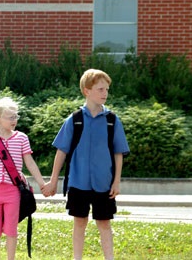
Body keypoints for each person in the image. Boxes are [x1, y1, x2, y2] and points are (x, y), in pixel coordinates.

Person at [42, 69, 130, 260]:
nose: (105, 93)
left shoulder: (112, 121)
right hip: (78, 181)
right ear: (86, 91)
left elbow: (118, 153)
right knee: (79, 222)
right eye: (100, 89)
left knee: (104, 223)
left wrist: (116, 182)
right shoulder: (74, 120)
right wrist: (53, 180)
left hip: (104, 183)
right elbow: (61, 151)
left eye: (107, 89)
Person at [0, 97, 46, 260]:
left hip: (13, 191)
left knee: (11, 229)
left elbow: (30, 162)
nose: (14, 120)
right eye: (11, 117)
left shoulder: (21, 138)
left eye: (16, 116)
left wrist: (42, 183)